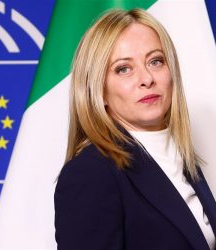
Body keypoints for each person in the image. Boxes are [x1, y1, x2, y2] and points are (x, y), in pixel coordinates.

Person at [54, 8, 216, 250]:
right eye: (123, 68)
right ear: (98, 90)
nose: (147, 78)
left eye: (156, 61)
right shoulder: (91, 173)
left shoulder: (178, 156)